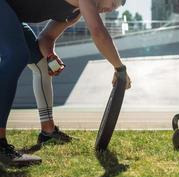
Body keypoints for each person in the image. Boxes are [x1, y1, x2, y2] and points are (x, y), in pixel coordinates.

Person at [0, 0, 131, 167]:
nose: (110, 9)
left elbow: (46, 38)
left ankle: (48, 132)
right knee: (16, 55)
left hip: (11, 12)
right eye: (113, 2)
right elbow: (98, 32)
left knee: (41, 64)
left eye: (115, 8)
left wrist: (50, 55)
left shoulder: (75, 12)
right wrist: (120, 68)